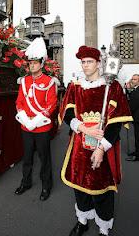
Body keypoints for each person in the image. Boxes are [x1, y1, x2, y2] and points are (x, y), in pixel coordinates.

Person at [58, 45, 132, 236]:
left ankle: (104, 228)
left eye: (89, 61)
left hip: (102, 148)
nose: (85, 66)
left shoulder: (112, 87)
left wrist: (102, 149)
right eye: (82, 62)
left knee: (102, 190)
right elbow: (66, 113)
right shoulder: (76, 87)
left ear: (99, 63)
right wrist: (82, 127)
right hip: (80, 148)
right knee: (80, 187)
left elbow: (116, 123)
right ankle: (82, 220)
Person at [15, 37, 58, 201]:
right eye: (29, 63)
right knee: (27, 158)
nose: (31, 65)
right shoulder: (24, 81)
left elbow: (51, 104)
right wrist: (24, 117)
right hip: (26, 126)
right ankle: (26, 182)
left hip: (42, 127)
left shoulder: (48, 81)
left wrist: (38, 119)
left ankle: (46, 185)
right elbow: (19, 101)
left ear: (41, 64)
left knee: (44, 158)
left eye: (34, 63)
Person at [125, 74, 139, 161]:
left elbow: (132, 105)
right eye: (132, 79)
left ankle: (137, 156)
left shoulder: (137, 91)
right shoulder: (135, 89)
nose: (133, 81)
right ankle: (137, 151)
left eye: (135, 79)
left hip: (138, 118)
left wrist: (126, 113)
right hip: (136, 118)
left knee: (138, 137)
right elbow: (130, 96)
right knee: (136, 136)